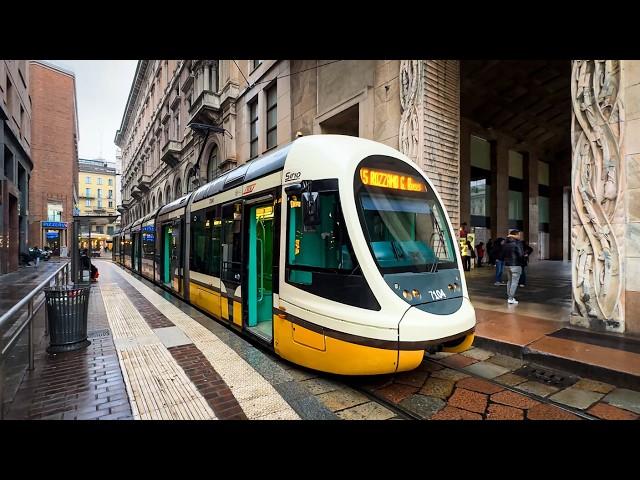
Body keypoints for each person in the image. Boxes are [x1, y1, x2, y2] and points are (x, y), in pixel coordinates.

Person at [502, 230, 524, 304]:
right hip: (516, 264)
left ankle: (509, 297)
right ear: (516, 235)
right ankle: (511, 298)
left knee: (509, 281)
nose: (520, 236)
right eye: (519, 235)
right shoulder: (517, 243)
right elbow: (521, 254)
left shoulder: (505, 243)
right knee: (514, 282)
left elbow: (503, 254)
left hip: (507, 264)